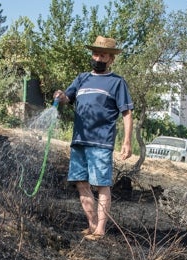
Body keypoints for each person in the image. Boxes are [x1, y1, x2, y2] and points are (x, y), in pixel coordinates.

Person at [53, 36, 134, 241]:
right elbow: (67, 99)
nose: (98, 58)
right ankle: (91, 225)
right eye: (95, 54)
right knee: (81, 182)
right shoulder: (82, 79)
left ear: (111, 59)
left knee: (101, 184)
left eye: (103, 55)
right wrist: (60, 95)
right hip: (79, 140)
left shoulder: (117, 82)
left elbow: (127, 113)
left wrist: (126, 141)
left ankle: (101, 230)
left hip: (101, 142)